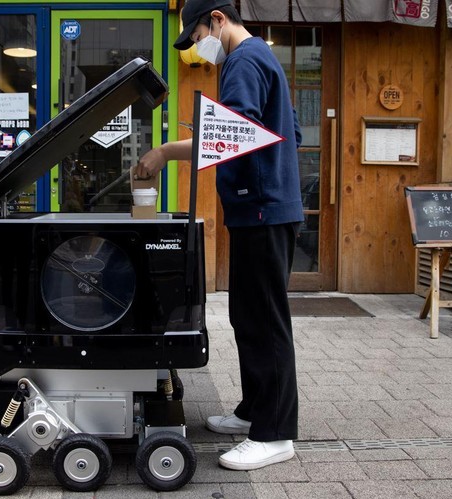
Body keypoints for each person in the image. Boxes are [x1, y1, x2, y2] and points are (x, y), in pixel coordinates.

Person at [134, 0, 303, 471]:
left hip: (264, 209)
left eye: (197, 39)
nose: (199, 51)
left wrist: (165, 151)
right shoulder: (258, 59)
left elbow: (233, 134)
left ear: (218, 20)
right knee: (248, 314)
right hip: (263, 206)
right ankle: (254, 412)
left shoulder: (245, 60)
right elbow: (278, 132)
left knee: (265, 320)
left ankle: (275, 434)